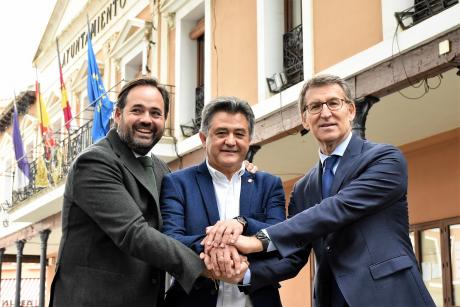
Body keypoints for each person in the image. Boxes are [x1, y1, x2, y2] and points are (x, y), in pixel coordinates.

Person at [213, 75, 435, 307]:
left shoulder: (385, 159)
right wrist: (243, 274)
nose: (325, 113)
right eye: (315, 107)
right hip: (331, 299)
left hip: (391, 296)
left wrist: (257, 241)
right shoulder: (302, 188)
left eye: (333, 103)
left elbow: (337, 209)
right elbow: (295, 253)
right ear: (305, 119)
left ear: (350, 110)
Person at [49, 78, 207, 307]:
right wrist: (202, 267)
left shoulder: (161, 169)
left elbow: (179, 223)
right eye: (137, 110)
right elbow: (133, 233)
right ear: (117, 115)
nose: (146, 119)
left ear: (164, 120)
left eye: (156, 113)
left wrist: (240, 172)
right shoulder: (95, 161)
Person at [160, 97, 306, 307]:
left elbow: (278, 236)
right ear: (203, 138)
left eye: (239, 134)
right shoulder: (177, 183)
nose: (230, 141)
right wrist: (215, 248)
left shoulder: (268, 184)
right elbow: (171, 239)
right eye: (221, 133)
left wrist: (243, 222)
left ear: (249, 140)